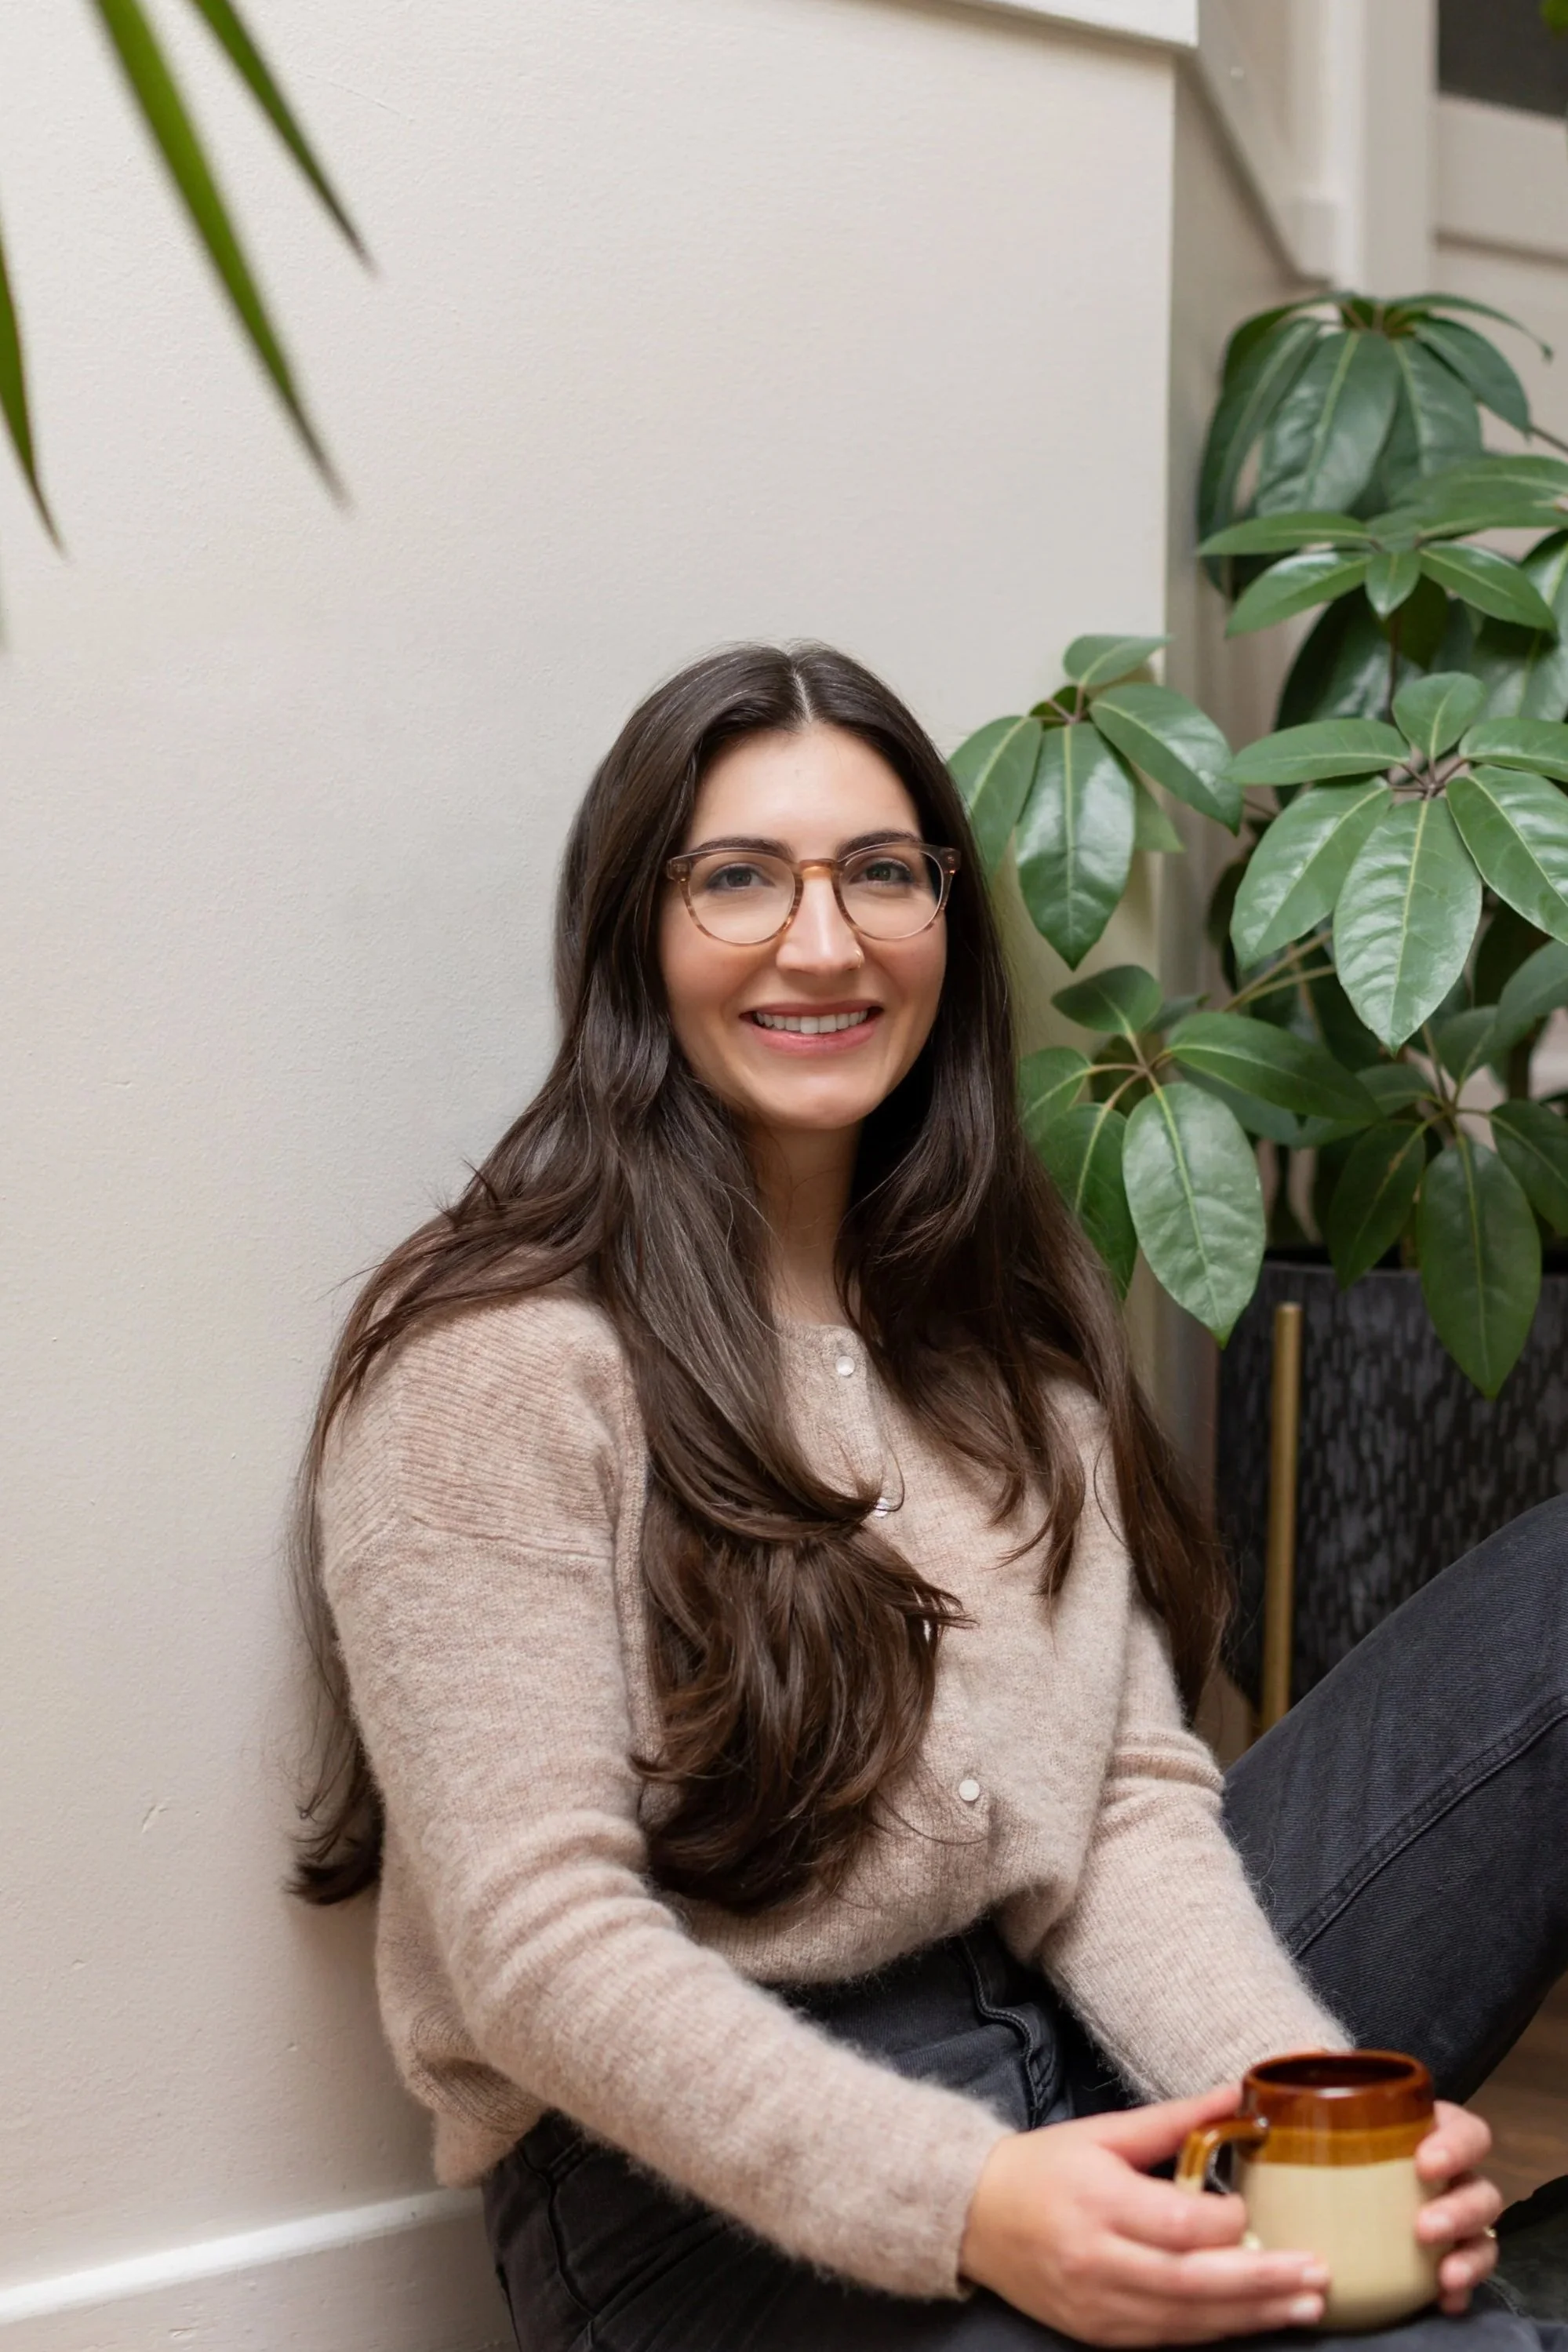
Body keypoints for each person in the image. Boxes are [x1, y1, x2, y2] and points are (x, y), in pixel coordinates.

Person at [292, 643, 1568, 2352]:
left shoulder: (1003, 1330)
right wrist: (975, 2201)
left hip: (1066, 2036)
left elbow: (1114, 1809)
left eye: (881, 873)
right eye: (737, 878)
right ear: (632, 931)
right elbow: (536, 1943)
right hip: (694, 2211)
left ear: (945, 923)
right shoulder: (496, 1355)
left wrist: (1306, 2127)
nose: (823, 941)